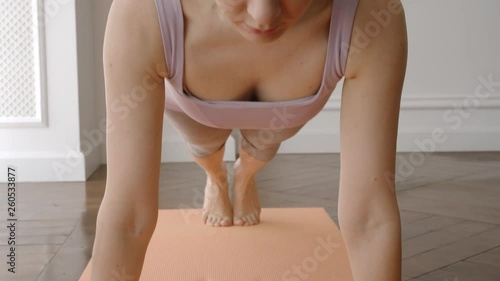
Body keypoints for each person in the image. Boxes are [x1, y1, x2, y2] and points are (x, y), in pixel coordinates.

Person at [91, 0, 407, 280]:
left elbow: (370, 216)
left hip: (280, 118)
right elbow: (128, 215)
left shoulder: (372, 14)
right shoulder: (141, 11)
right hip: (195, 111)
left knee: (263, 146)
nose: (264, 16)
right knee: (206, 145)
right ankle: (216, 179)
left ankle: (243, 178)